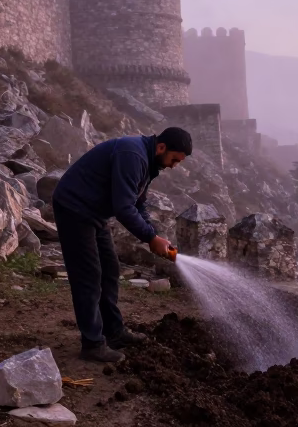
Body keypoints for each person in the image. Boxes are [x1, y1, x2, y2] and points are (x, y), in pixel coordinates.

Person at [51, 126, 193, 363]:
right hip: (74, 208)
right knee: (89, 276)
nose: (173, 166)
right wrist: (150, 238)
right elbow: (123, 208)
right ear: (161, 147)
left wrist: (154, 235)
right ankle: (92, 344)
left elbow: (138, 204)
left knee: (110, 270)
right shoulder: (133, 155)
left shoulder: (148, 160)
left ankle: (114, 332)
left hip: (94, 213)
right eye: (174, 159)